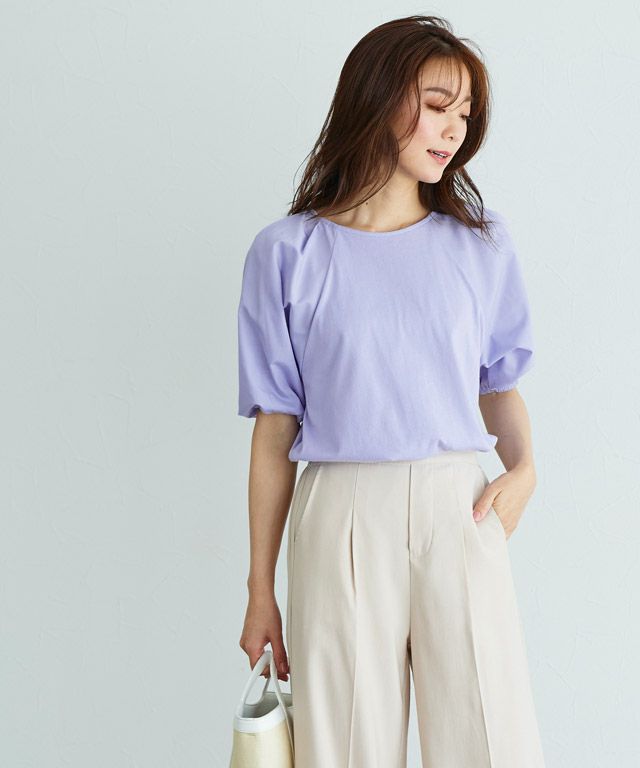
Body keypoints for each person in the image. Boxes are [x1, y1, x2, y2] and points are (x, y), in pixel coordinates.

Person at [236, 14, 546, 768]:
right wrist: (260, 588)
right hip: (339, 510)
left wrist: (525, 468)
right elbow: (275, 430)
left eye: (464, 114)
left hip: (459, 507)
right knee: (346, 748)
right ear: (376, 99)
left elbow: (498, 385)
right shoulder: (288, 253)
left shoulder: (480, 243)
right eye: (437, 106)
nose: (453, 130)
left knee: (489, 739)